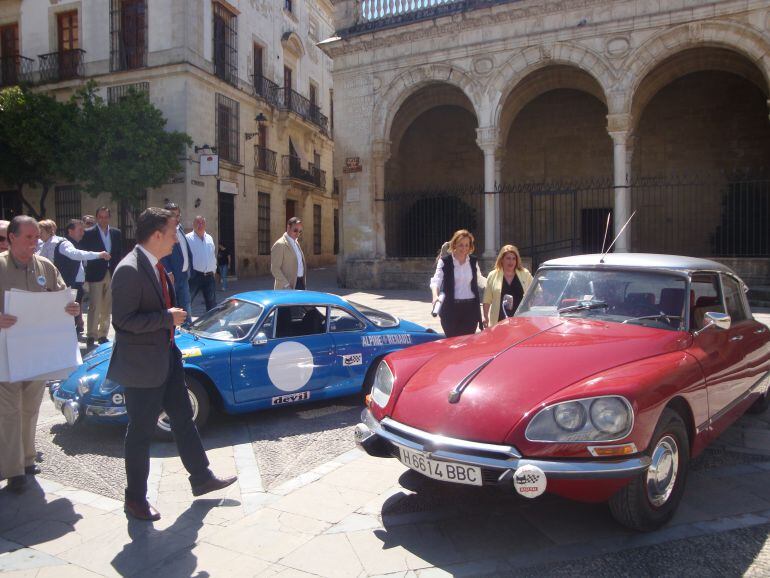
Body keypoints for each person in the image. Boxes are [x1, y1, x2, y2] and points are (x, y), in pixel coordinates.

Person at [108, 207, 236, 521]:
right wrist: (167, 318)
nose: (176, 241)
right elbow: (122, 322)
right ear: (155, 235)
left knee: (182, 418)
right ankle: (135, 499)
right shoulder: (129, 269)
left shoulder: (156, 265)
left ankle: (201, 477)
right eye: (172, 233)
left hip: (166, 359)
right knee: (140, 432)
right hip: (142, 367)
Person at [0, 216, 80, 493]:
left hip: (37, 354)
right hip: (5, 353)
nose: (35, 243)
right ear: (12, 238)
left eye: (37, 238)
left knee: (30, 409)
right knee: (8, 412)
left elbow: (63, 298)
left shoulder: (45, 266)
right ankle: (13, 471)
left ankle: (27, 459)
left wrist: (73, 308)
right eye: (29, 238)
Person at [53, 219, 111, 336]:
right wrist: (99, 255)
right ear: (70, 231)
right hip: (66, 286)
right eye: (80, 230)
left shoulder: (75, 243)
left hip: (76, 286)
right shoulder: (65, 244)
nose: (82, 233)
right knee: (66, 316)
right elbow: (76, 255)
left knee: (72, 315)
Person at [430, 229, 486, 338]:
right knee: (453, 342)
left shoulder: (473, 261)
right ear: (454, 244)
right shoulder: (445, 261)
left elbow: (480, 279)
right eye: (461, 245)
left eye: (466, 245)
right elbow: (436, 280)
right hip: (450, 309)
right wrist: (435, 296)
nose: (464, 248)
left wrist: (495, 284)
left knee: (467, 343)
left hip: (470, 309)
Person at [81, 207, 123, 348]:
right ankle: (91, 335)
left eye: (106, 216)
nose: (103, 219)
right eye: (100, 216)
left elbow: (119, 253)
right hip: (95, 273)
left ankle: (103, 334)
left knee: (107, 306)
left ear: (109, 218)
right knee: (95, 305)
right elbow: (85, 254)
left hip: (111, 272)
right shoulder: (89, 233)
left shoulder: (116, 233)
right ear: (97, 217)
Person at [482, 244, 533, 328]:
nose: (511, 261)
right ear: (502, 260)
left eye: (514, 259)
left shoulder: (525, 274)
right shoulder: (493, 275)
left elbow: (536, 292)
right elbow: (487, 299)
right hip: (499, 321)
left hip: (520, 320)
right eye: (508, 258)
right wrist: (485, 316)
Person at [160, 203, 193, 324]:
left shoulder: (180, 228)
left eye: (178, 215)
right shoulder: (164, 231)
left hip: (183, 275)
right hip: (172, 277)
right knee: (173, 307)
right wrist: (168, 271)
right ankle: (176, 333)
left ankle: (188, 331)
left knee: (186, 306)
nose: (177, 218)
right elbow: (162, 253)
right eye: (174, 215)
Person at [186, 215, 217, 312]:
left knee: (211, 303)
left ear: (205, 224)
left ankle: (211, 324)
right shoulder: (187, 238)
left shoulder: (209, 238)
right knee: (187, 301)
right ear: (193, 225)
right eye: (197, 223)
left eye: (202, 223)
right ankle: (185, 323)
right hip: (195, 275)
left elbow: (212, 254)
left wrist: (214, 269)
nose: (200, 225)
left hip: (209, 275)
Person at [271, 217, 307, 290]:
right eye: (295, 230)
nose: (298, 234)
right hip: (287, 287)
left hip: (300, 283)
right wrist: (286, 285)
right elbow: (275, 269)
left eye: (300, 231)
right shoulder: (280, 244)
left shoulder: (296, 243)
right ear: (288, 227)